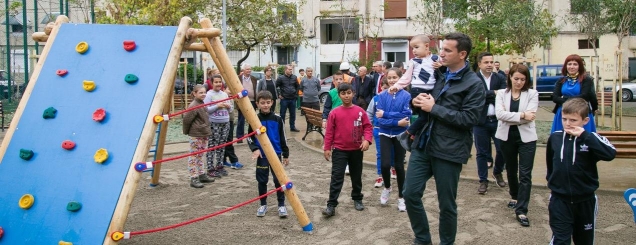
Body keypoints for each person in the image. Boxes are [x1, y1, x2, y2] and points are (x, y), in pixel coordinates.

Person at [403, 32, 485, 245]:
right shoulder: (439, 74)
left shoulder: (473, 83)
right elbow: (426, 103)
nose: (442, 53)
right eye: (441, 49)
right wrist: (417, 101)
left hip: (450, 150)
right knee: (410, 194)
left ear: (462, 54)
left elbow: (469, 118)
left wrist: (434, 107)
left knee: (447, 205)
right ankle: (423, 239)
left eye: (448, 50)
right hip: (424, 144)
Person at [546, 98, 616, 244]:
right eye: (564, 119)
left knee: (584, 240)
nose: (568, 123)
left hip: (585, 201)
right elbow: (551, 164)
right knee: (560, 240)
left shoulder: (591, 138)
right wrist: (554, 183)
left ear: (585, 121)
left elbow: (610, 154)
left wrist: (585, 136)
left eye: (573, 120)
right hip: (560, 200)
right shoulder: (555, 138)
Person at [494, 64, 539, 227]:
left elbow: (530, 117)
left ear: (527, 80)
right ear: (510, 78)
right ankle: (515, 196)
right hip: (506, 136)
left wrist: (511, 116)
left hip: (526, 137)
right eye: (516, 79)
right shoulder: (501, 94)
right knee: (511, 170)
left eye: (522, 79)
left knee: (525, 174)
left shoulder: (532, 94)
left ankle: (521, 210)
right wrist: (521, 114)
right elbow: (499, 115)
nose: (519, 82)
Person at [322, 82, 373, 217]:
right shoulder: (334, 113)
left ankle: (357, 199)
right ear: (339, 95)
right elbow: (329, 132)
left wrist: (367, 140)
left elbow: (368, 127)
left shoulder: (360, 112)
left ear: (353, 93)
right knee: (337, 177)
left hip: (356, 149)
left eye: (349, 93)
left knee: (356, 176)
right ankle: (331, 205)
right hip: (339, 150)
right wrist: (327, 147)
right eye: (343, 93)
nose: (346, 96)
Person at [388, 34, 441, 148]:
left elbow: (444, 71)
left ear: (427, 46)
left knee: (429, 116)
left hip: (431, 90)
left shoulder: (435, 59)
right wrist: (396, 86)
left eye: (416, 47)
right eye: (412, 48)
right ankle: (407, 134)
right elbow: (407, 77)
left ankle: (413, 136)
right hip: (418, 90)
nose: (414, 51)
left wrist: (441, 66)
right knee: (424, 117)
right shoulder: (414, 61)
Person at [247, 90, 290, 218]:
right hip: (262, 156)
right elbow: (249, 137)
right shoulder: (255, 120)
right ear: (257, 104)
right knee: (262, 180)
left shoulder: (277, 119)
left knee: (279, 180)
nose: (265, 105)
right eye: (262, 103)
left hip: (276, 154)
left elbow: (283, 137)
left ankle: (281, 205)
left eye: (267, 102)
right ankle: (263, 204)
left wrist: (286, 154)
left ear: (272, 103)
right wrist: (255, 148)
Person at [375, 68, 412, 212]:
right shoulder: (382, 95)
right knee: (384, 165)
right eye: (389, 78)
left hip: (400, 135)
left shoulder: (407, 96)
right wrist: (396, 121)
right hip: (384, 133)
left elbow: (406, 115)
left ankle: (401, 197)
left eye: (395, 77)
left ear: (400, 78)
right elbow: (380, 120)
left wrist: (387, 114)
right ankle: (387, 188)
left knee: (399, 165)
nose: (392, 80)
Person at [473, 52, 508, 194]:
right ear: (480, 64)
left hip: (498, 121)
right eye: (486, 62)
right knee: (481, 152)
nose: (489, 65)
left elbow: (504, 94)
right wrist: (493, 93)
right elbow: (476, 96)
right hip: (480, 121)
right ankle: (483, 181)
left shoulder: (500, 77)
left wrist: (488, 94)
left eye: (491, 62)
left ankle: (497, 172)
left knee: (503, 149)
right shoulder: (474, 79)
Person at [551, 54, 598, 133]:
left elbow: (584, 96)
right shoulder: (561, 80)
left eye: (575, 64)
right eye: (569, 64)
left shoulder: (587, 80)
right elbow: (555, 97)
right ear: (566, 66)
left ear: (580, 66)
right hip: (563, 113)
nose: (572, 67)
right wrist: (570, 102)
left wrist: (565, 99)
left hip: (581, 113)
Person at [182, 85, 214, 188]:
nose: (203, 94)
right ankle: (193, 177)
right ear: (194, 93)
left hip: (203, 132)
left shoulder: (202, 103)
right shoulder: (194, 105)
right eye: (200, 92)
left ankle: (201, 174)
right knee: (194, 156)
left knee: (200, 155)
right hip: (196, 134)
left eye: (204, 92)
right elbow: (186, 119)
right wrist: (187, 131)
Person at [366, 78, 395, 188]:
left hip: (393, 129)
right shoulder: (376, 99)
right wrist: (370, 126)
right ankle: (380, 175)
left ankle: (393, 168)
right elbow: (369, 113)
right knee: (380, 154)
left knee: (393, 151)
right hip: (379, 129)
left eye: (387, 88)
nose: (385, 90)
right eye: (383, 88)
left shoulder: (395, 99)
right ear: (380, 87)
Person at [204, 75, 234, 178]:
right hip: (214, 123)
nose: (218, 84)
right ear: (212, 83)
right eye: (216, 82)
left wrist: (228, 106)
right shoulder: (209, 95)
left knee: (222, 145)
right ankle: (210, 168)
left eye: (220, 82)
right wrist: (217, 106)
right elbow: (206, 109)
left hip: (225, 122)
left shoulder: (225, 94)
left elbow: (231, 109)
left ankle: (220, 166)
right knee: (212, 145)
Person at [236, 64, 258, 142]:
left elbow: (256, 90)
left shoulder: (254, 79)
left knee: (252, 119)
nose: (249, 70)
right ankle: (240, 137)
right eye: (247, 69)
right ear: (243, 70)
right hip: (242, 101)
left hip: (252, 101)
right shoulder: (238, 78)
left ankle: (251, 136)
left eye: (250, 69)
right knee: (241, 119)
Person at [276, 64, 300, 132]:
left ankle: (292, 127)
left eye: (291, 69)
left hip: (293, 99)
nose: (290, 71)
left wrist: (296, 94)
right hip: (284, 99)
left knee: (293, 114)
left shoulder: (294, 77)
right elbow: (276, 86)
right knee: (282, 114)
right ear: (285, 70)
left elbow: (298, 86)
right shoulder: (281, 78)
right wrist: (279, 95)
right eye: (289, 69)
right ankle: (282, 127)